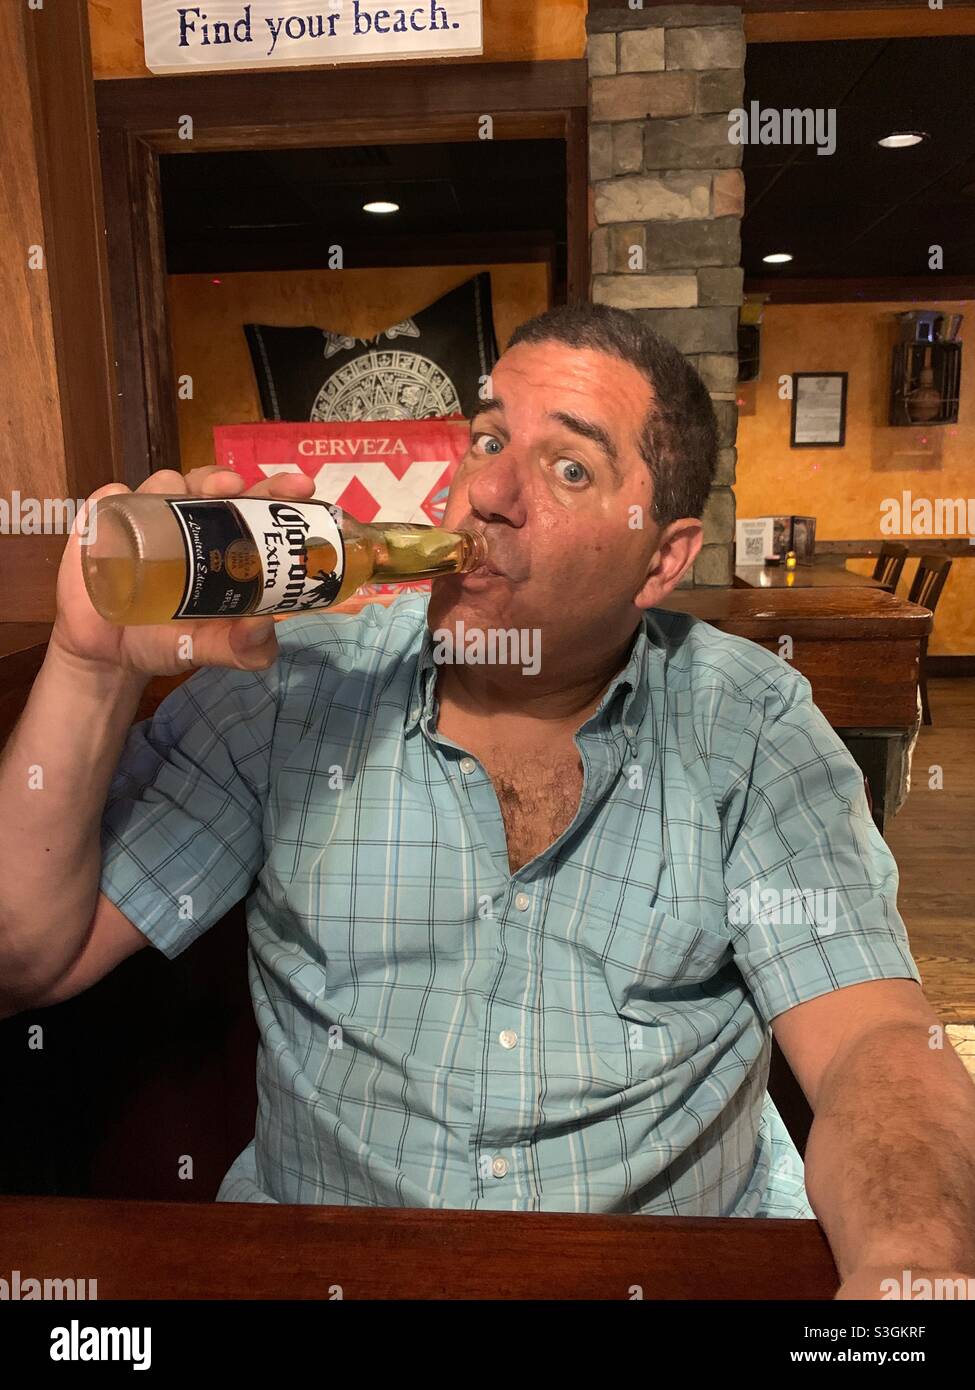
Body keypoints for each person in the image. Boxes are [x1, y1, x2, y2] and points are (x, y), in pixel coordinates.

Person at [1, 305, 972, 1301]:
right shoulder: (292, 686)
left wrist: (914, 1273)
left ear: (663, 559)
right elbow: (28, 957)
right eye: (490, 438)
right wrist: (88, 665)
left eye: (571, 469)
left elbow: (875, 1041)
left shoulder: (746, 725)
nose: (491, 493)